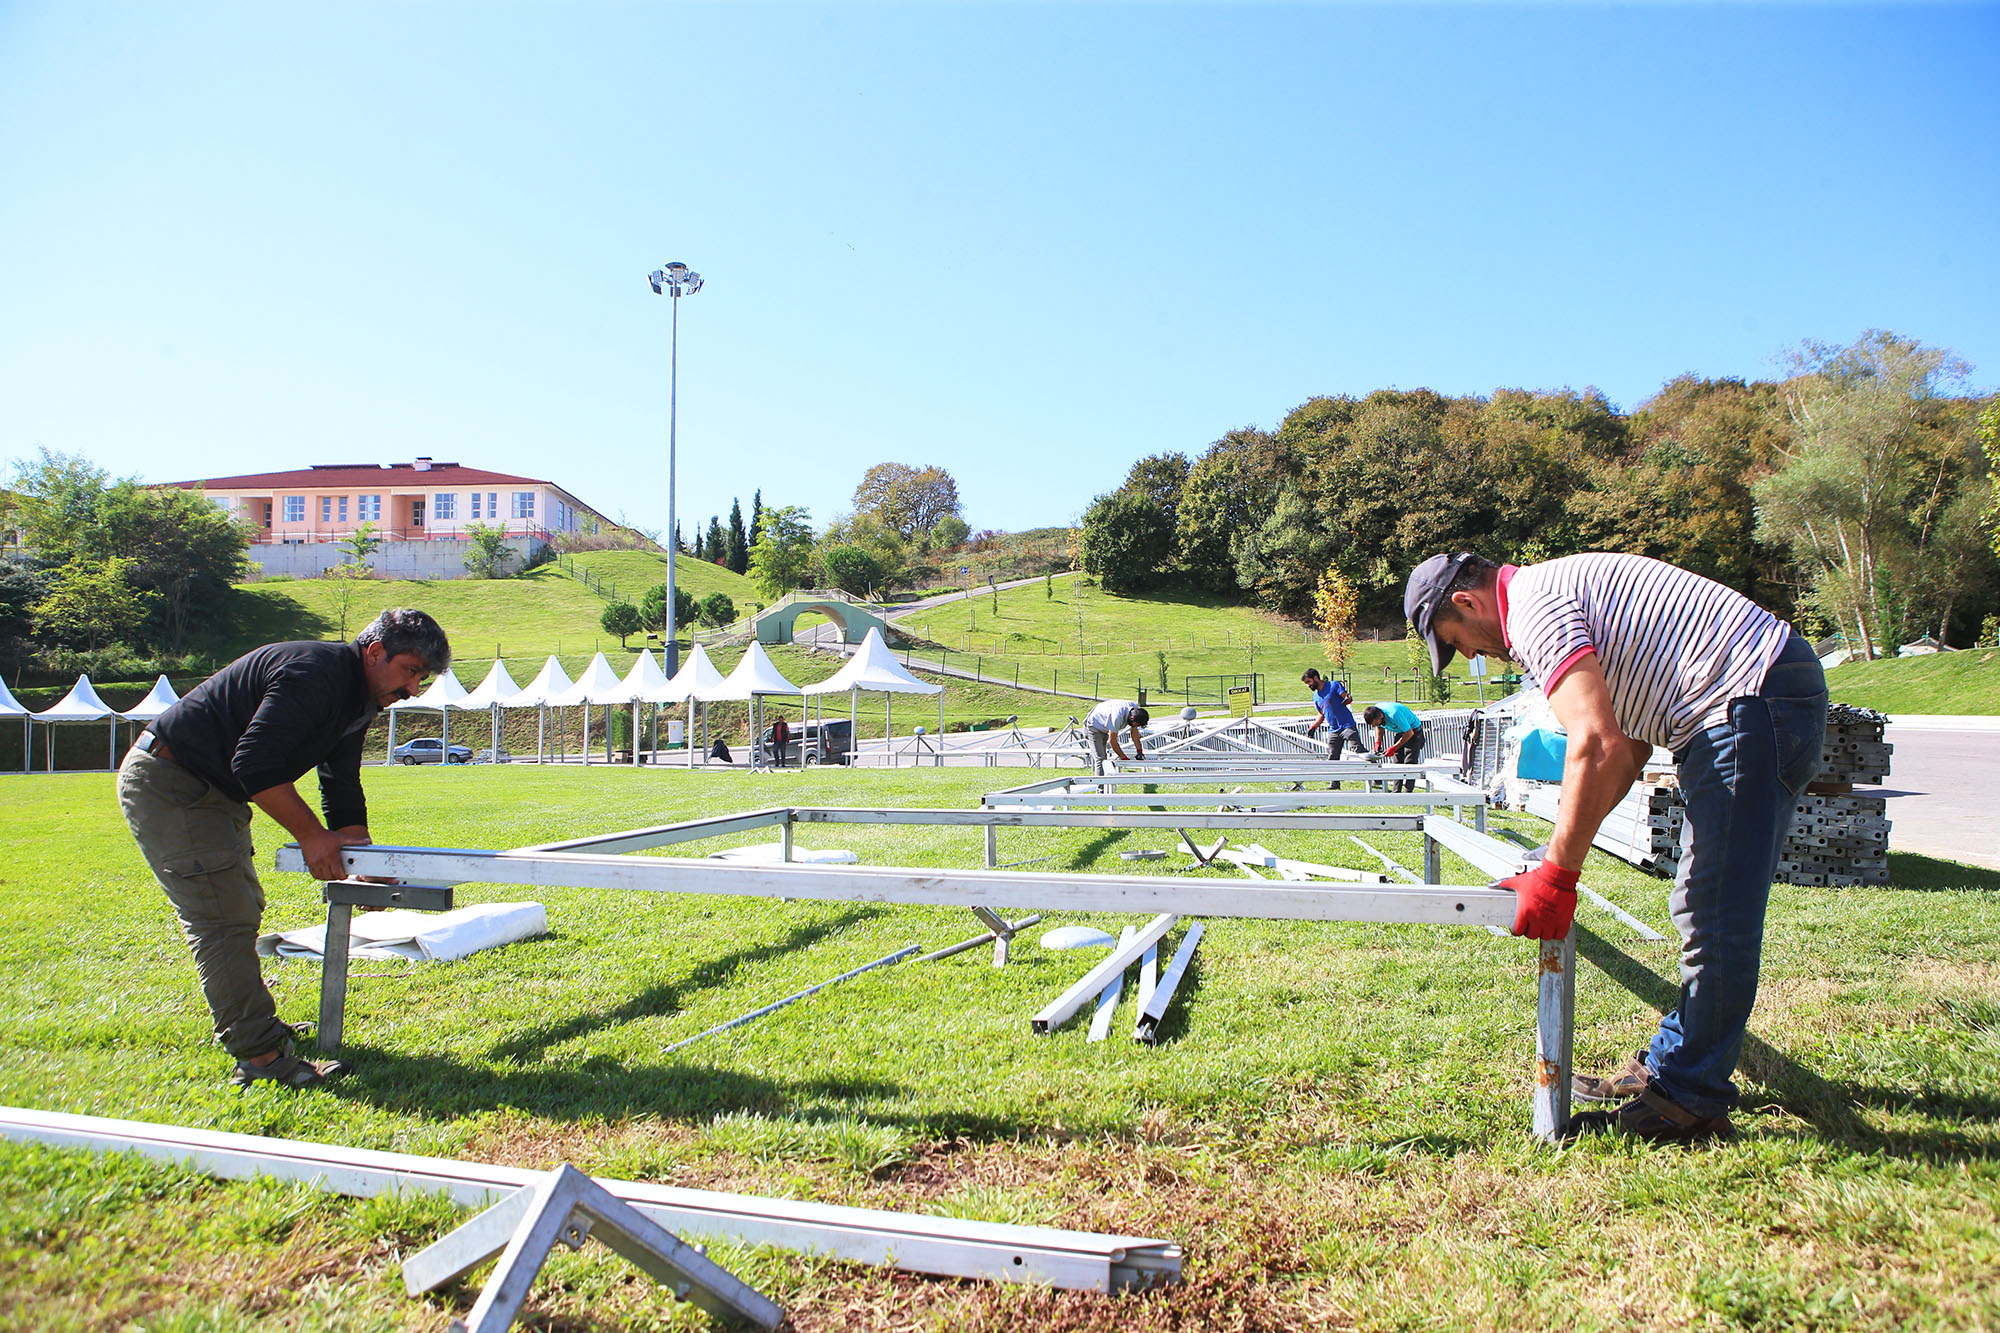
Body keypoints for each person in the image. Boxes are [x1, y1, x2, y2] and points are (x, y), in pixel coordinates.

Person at [1405, 550, 1825, 1143]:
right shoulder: (1560, 603)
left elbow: (1594, 742)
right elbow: (1626, 753)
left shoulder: (1533, 611)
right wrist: (1556, 855)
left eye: (1458, 640)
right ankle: (1673, 1070)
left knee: (1714, 908)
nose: (1470, 655)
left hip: (1751, 703)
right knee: (1707, 903)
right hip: (1757, 698)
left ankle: (1687, 1101)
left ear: (1468, 603)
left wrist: (1558, 875)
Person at [117, 609, 451, 1089]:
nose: (413, 690)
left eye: (421, 679)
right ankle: (261, 1055)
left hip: (212, 788)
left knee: (240, 907)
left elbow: (340, 781)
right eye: (411, 672)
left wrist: (364, 860)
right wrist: (313, 837)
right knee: (222, 916)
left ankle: (252, 1025)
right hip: (172, 781)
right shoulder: (314, 672)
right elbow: (255, 762)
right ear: (376, 652)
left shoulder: (358, 697)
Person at [1301, 667, 1364, 788]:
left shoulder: (1333, 685)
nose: (1308, 685)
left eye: (1309, 682)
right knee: (1332, 756)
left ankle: (1377, 775)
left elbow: (1347, 698)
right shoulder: (1316, 696)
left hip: (1347, 725)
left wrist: (1348, 699)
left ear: (1315, 678)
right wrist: (1314, 726)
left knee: (1358, 749)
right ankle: (1335, 783)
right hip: (1333, 730)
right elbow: (1322, 713)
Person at [1361, 701, 1425, 792]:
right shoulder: (1375, 711)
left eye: (1375, 723)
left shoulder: (1394, 714)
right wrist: (1377, 743)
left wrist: (1394, 748)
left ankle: (1408, 792)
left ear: (1380, 716)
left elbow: (1409, 733)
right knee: (1397, 762)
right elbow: (1379, 726)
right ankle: (1396, 791)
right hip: (1401, 731)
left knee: (1409, 762)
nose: (1375, 726)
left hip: (1413, 732)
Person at [1083, 699, 1149, 772]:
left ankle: (1106, 781)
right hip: (1092, 726)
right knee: (1101, 759)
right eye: (1137, 725)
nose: (1136, 726)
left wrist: (1139, 751)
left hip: (1104, 725)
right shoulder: (1117, 718)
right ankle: (1100, 783)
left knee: (1105, 759)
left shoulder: (1135, 710)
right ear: (1132, 718)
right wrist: (1124, 758)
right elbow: (1112, 742)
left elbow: (1135, 734)